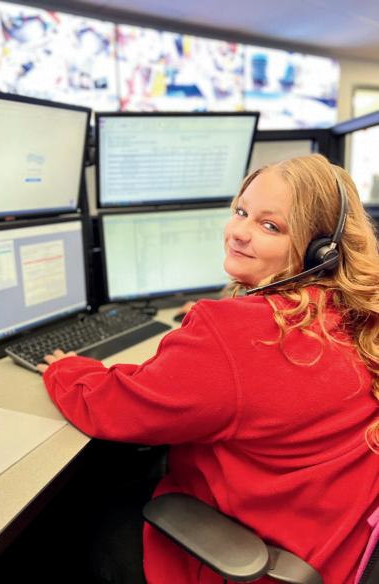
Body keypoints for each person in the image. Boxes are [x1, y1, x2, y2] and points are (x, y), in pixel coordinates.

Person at [38, 154, 379, 584]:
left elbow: (113, 408)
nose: (238, 232)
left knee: (62, 522)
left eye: (270, 226)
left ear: (321, 251)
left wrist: (66, 369)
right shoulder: (358, 317)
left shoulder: (236, 333)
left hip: (250, 561)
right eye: (241, 211)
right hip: (327, 548)